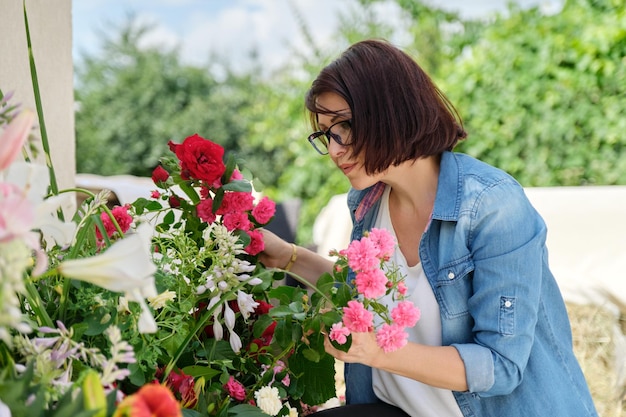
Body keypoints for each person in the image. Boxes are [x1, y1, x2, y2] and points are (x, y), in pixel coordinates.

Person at [259, 39, 598, 417]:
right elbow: (370, 288)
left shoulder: (491, 206)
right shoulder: (368, 203)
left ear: (390, 111)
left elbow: (501, 366)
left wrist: (378, 351)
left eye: (345, 126)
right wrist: (286, 256)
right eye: (326, 133)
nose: (335, 148)